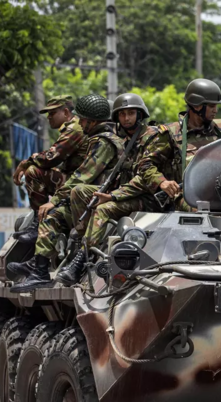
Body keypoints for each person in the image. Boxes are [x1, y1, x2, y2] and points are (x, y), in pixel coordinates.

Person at [9, 94, 124, 293]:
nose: (79, 122)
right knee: (51, 216)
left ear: (92, 121)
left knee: (61, 202)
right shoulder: (94, 139)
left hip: (99, 200)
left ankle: (75, 250)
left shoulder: (104, 142)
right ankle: (40, 271)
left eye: (82, 119)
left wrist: (54, 199)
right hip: (84, 199)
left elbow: (82, 177)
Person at [60, 93, 160, 285]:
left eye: (131, 113)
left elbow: (145, 179)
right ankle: (85, 244)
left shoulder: (152, 138)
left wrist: (112, 196)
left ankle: (81, 259)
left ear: (140, 115)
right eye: (122, 115)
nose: (127, 118)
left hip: (149, 197)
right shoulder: (124, 140)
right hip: (125, 194)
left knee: (104, 208)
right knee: (80, 191)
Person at [135, 78, 221, 211]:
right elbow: (145, 164)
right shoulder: (170, 132)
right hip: (186, 195)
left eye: (216, 106)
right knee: (202, 213)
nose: (215, 110)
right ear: (197, 106)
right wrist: (162, 182)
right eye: (211, 106)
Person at [11, 95, 89, 244]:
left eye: (52, 113)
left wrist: (24, 164)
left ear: (66, 112)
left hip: (80, 182)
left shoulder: (75, 128)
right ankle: (37, 219)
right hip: (74, 179)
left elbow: (51, 158)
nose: (49, 117)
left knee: (33, 171)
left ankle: (38, 224)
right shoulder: (71, 128)